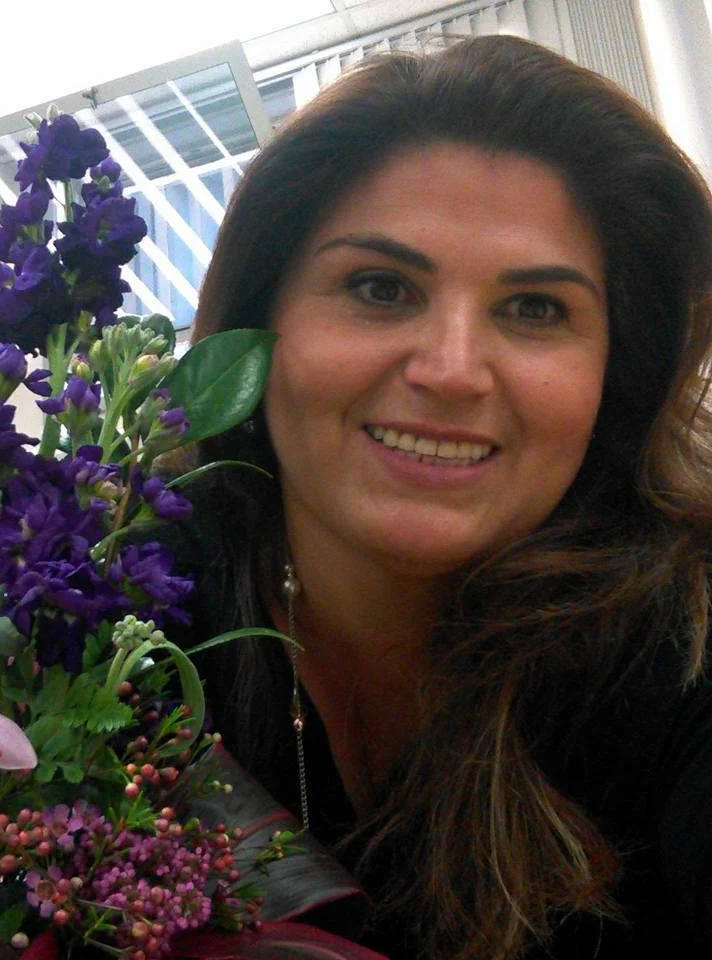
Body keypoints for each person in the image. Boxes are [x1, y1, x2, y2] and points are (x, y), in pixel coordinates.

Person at [173, 34, 712, 959]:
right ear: (256, 334)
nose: (454, 372)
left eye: (536, 309)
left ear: (611, 378)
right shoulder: (115, 613)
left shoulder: (680, 653)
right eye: (381, 288)